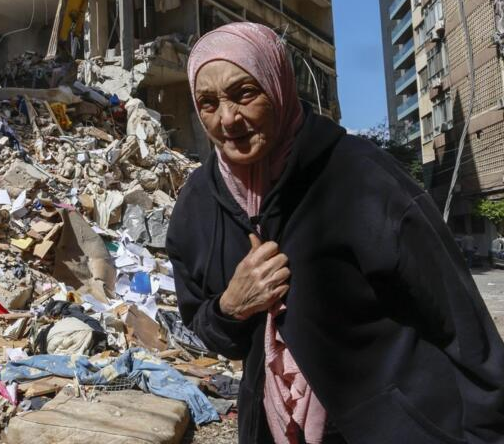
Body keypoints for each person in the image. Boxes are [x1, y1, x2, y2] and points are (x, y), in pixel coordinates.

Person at [166, 22, 504, 444]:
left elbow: (461, 324)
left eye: (244, 93)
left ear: (278, 85)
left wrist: (484, 433)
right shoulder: (198, 205)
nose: (228, 119)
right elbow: (206, 327)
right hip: (275, 426)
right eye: (208, 103)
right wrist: (232, 306)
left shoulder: (362, 178)